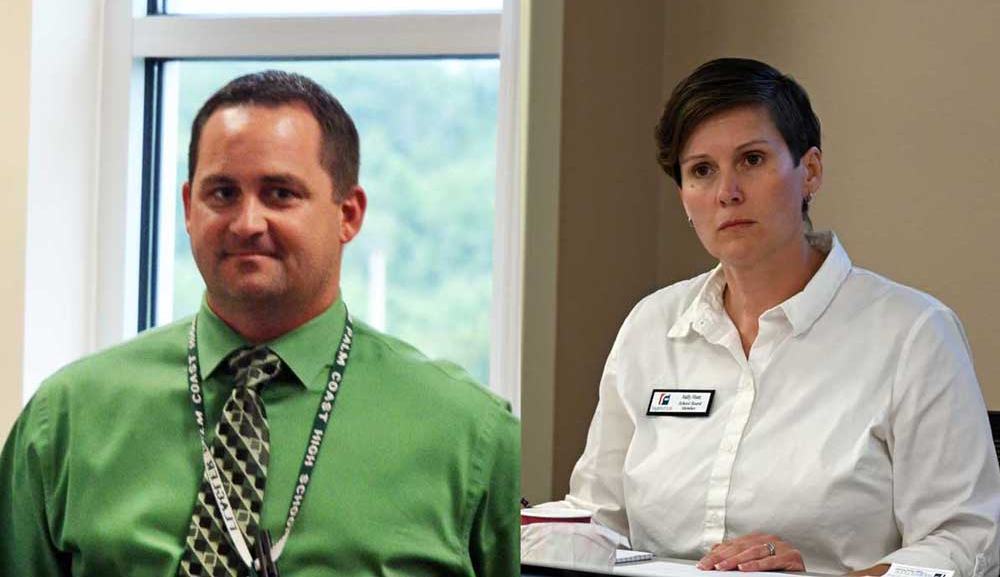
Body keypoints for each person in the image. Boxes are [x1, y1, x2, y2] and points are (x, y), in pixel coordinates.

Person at [0, 70, 519, 576]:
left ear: (349, 214)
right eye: (222, 193)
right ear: (187, 207)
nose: (248, 223)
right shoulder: (65, 420)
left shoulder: (470, 436)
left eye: (280, 194)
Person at [528, 58, 1000, 577]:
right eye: (701, 170)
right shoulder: (650, 325)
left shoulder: (914, 333)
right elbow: (598, 517)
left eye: (751, 160)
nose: (727, 191)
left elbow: (963, 540)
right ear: (684, 196)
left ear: (810, 172)